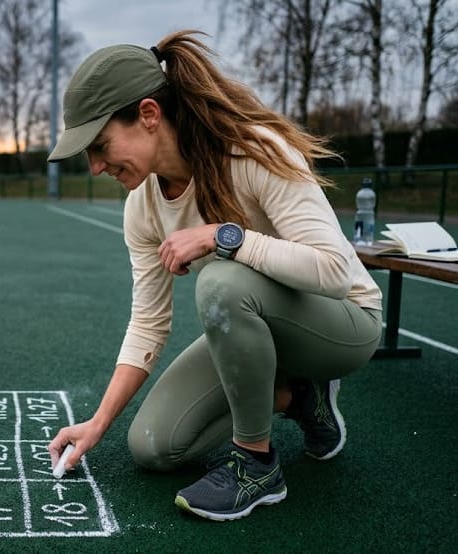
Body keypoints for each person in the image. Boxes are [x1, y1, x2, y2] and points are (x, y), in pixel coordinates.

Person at [45, 30, 383, 522]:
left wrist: (225, 236)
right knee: (151, 446)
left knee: (220, 282)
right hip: (259, 323)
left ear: (148, 115)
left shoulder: (253, 150)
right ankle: (301, 400)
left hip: (343, 324)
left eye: (99, 145)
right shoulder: (141, 207)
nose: (95, 166)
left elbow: (335, 270)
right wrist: (98, 423)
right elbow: (148, 324)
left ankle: (257, 465)